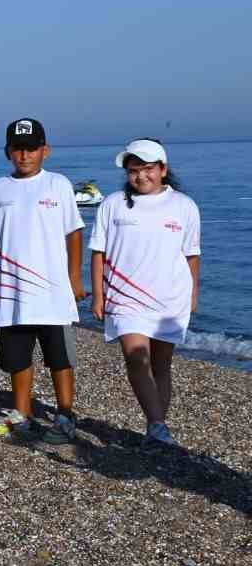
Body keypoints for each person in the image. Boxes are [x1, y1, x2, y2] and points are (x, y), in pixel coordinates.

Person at [0, 119, 84, 442]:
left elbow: (74, 233)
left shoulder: (59, 185)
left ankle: (65, 415)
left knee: (60, 358)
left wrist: (74, 279)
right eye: (18, 148)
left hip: (53, 293)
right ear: (8, 151)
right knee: (17, 358)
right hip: (12, 293)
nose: (24, 155)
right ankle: (21, 413)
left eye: (32, 148)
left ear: (45, 150)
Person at [90, 139, 200, 447]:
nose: (141, 177)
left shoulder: (184, 206)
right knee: (136, 358)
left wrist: (193, 294)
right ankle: (157, 424)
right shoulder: (113, 204)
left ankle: (156, 431)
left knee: (162, 365)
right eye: (134, 171)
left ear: (163, 170)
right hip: (125, 298)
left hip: (170, 299)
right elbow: (98, 252)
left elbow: (191, 255)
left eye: (148, 169)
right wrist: (98, 295)